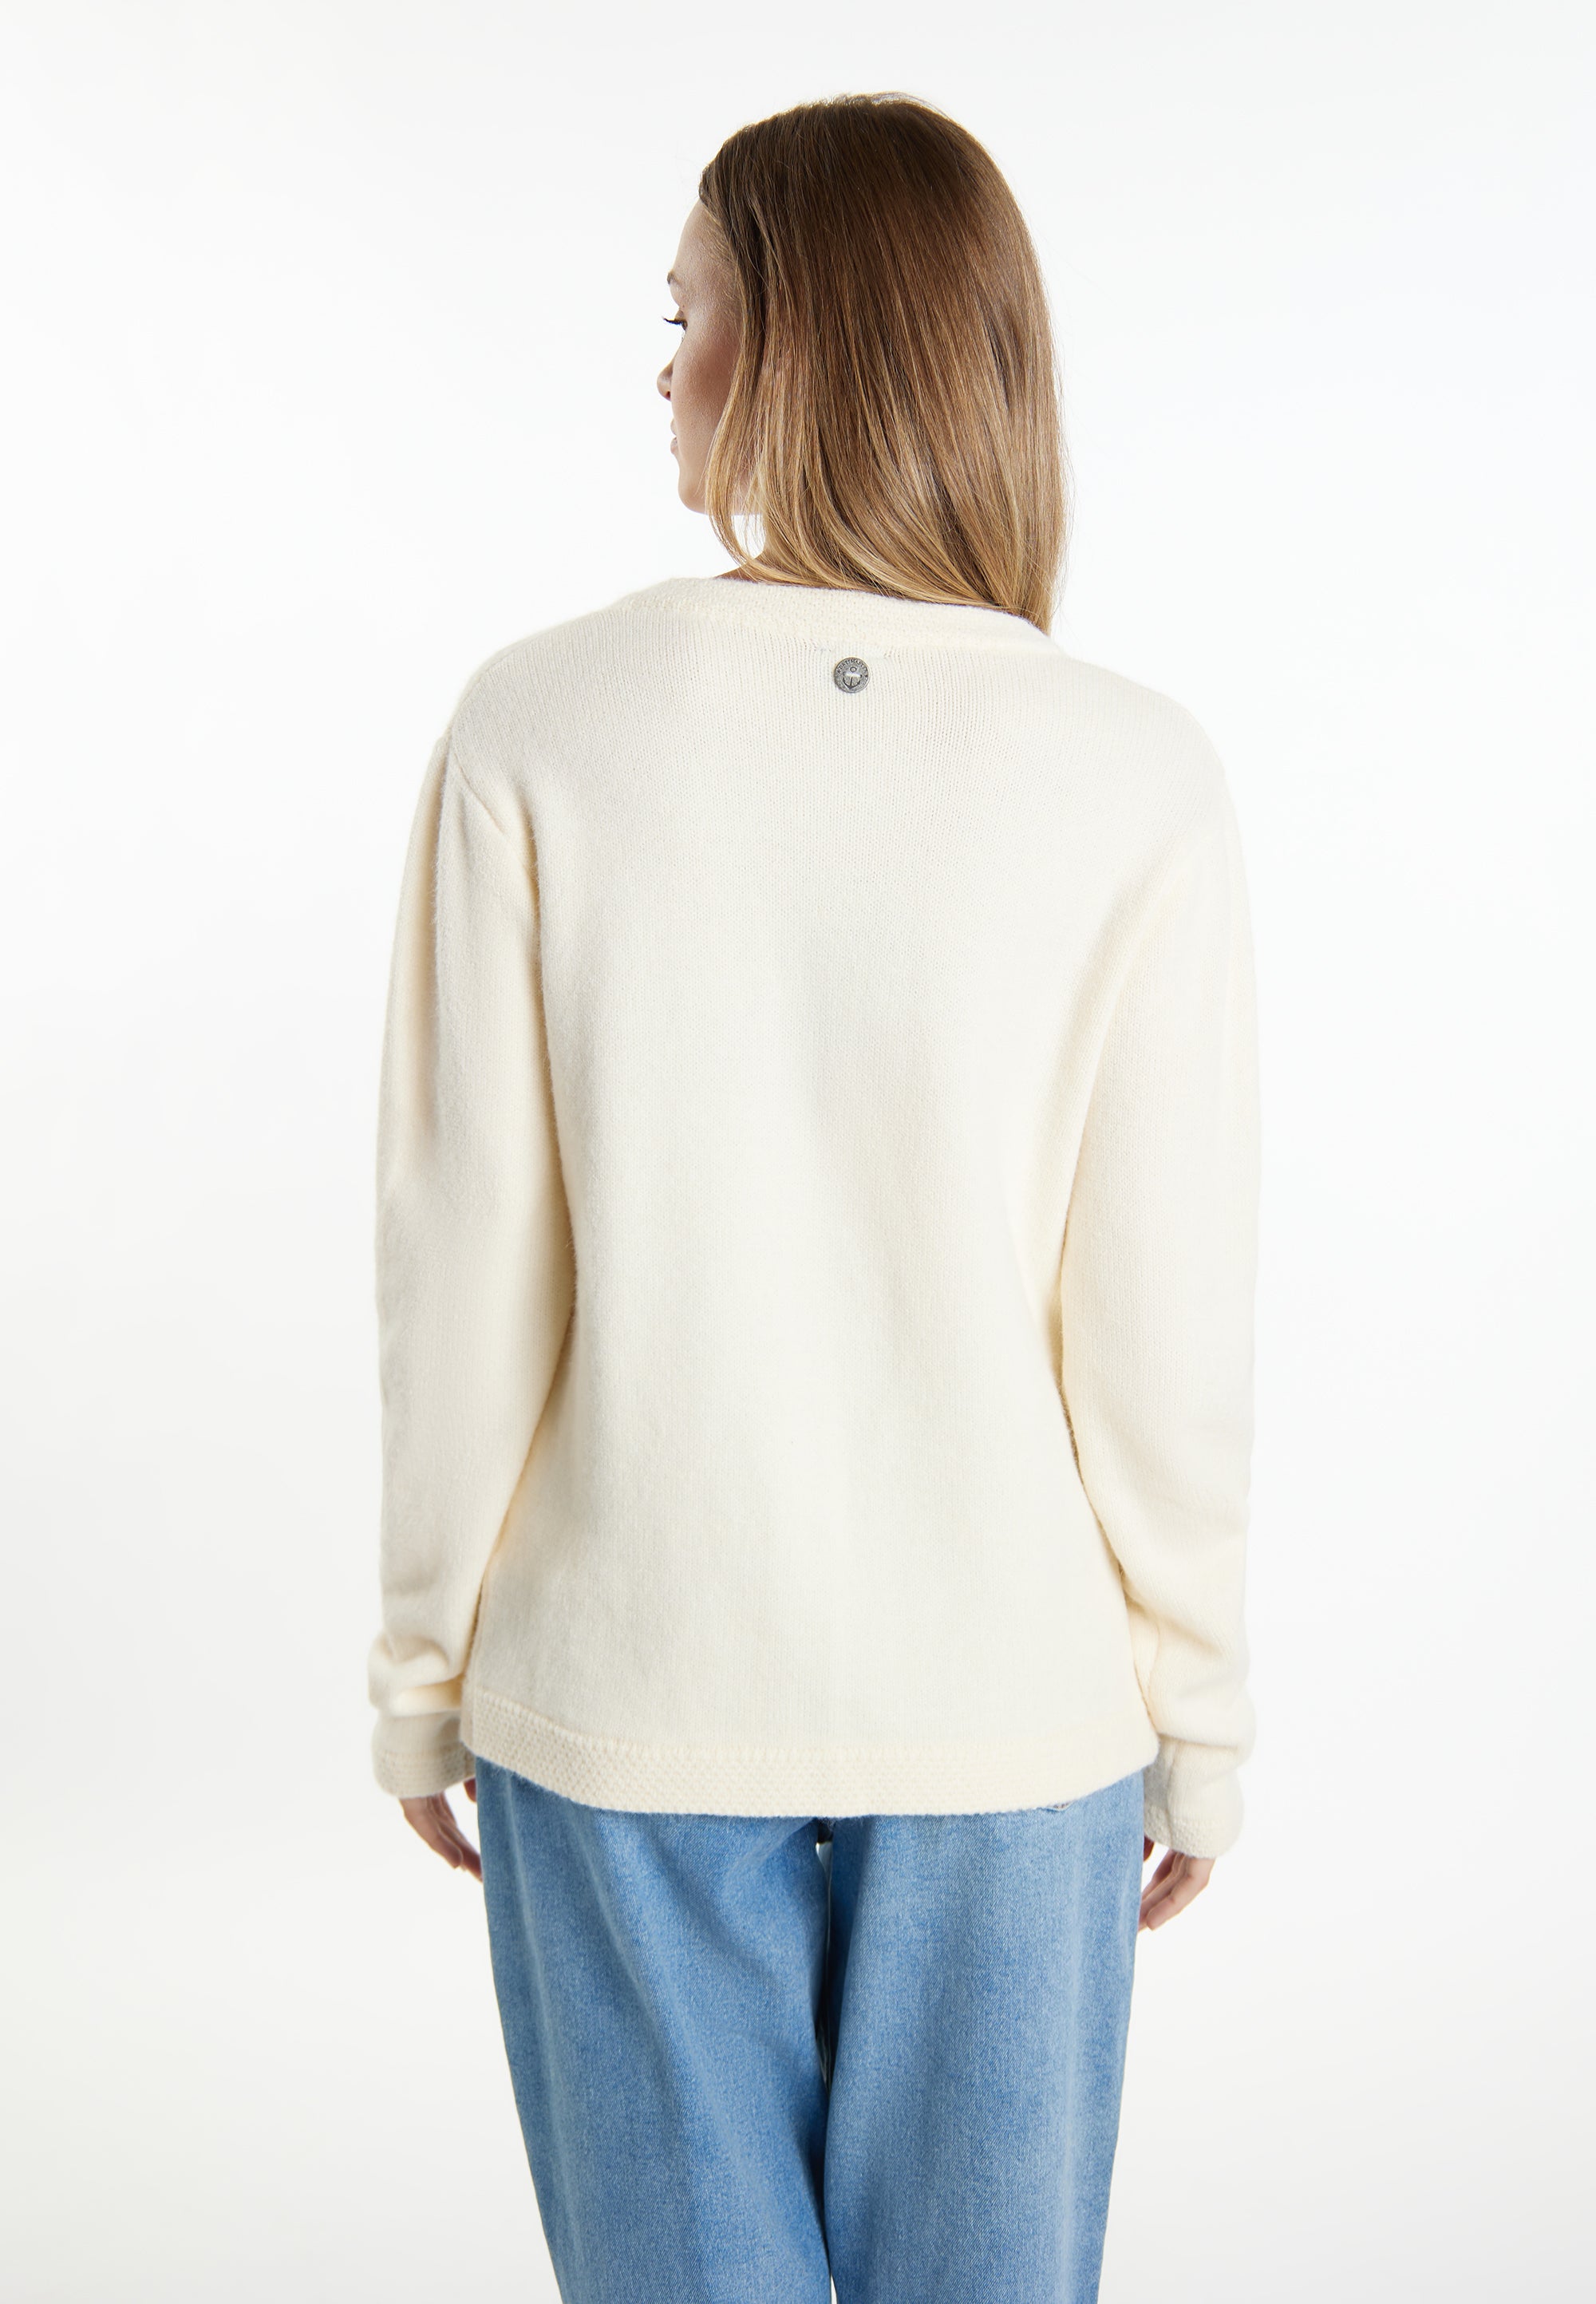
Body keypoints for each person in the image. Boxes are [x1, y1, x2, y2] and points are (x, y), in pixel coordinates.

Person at [366, 92, 1259, 2304]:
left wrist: (422, 1668)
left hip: (625, 1697)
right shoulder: (1132, 769)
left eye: (690, 312)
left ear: (803, 341)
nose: (663, 367)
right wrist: (1196, 1716)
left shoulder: (541, 728)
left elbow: (468, 1267)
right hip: (1015, 1720)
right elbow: (1163, 1325)